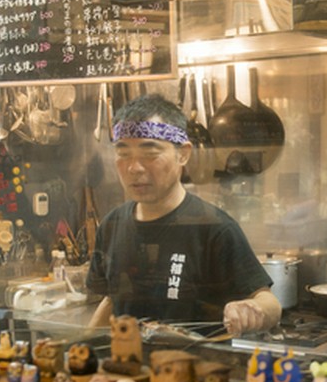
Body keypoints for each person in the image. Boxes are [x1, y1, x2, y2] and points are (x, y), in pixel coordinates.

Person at [87, 93, 280, 336]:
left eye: (150, 153)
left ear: (183, 154)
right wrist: (84, 345)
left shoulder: (213, 227)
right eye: (123, 154)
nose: (134, 168)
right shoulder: (111, 225)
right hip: (129, 370)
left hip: (196, 368)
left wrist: (251, 309)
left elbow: (270, 304)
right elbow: (111, 301)